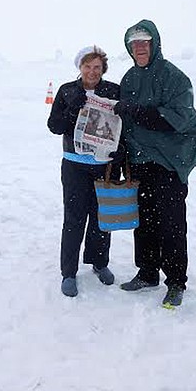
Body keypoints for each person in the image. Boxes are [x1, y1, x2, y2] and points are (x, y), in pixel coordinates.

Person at [113, 20, 196, 308]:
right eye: (134, 44)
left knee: (172, 223)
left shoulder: (174, 78)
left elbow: (178, 119)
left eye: (144, 42)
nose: (140, 48)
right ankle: (147, 272)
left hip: (169, 163)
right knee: (143, 222)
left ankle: (176, 281)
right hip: (139, 162)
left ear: (155, 44)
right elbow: (123, 121)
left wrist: (139, 112)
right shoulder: (129, 79)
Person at [47, 45, 122, 298]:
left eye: (97, 67)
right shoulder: (67, 90)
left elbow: (123, 126)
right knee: (74, 218)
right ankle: (68, 271)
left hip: (104, 165)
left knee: (102, 218)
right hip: (74, 165)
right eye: (87, 66)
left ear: (103, 69)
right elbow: (54, 126)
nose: (92, 71)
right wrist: (71, 110)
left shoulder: (113, 91)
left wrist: (120, 152)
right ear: (80, 67)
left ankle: (99, 263)